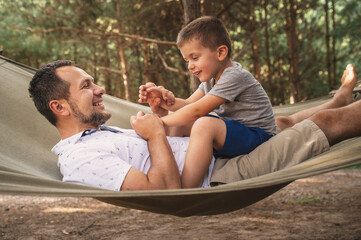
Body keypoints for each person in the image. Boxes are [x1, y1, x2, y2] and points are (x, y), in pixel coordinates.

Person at [28, 60, 360, 191]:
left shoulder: (98, 136)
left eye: (94, 82)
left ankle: (338, 98)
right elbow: (165, 191)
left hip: (218, 152)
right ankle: (337, 107)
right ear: (59, 107)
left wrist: (162, 116)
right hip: (225, 173)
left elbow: (165, 147)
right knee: (327, 125)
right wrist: (157, 133)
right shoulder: (81, 158)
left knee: (279, 121)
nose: (100, 90)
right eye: (87, 86)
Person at [138, 16, 276, 188]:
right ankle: (173, 171)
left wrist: (157, 123)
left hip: (258, 136)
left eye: (195, 58)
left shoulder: (234, 76)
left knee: (204, 124)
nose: (189, 66)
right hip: (236, 131)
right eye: (187, 61)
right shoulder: (211, 80)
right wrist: (165, 99)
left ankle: (185, 189)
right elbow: (189, 105)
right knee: (182, 124)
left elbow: (197, 111)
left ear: (220, 53)